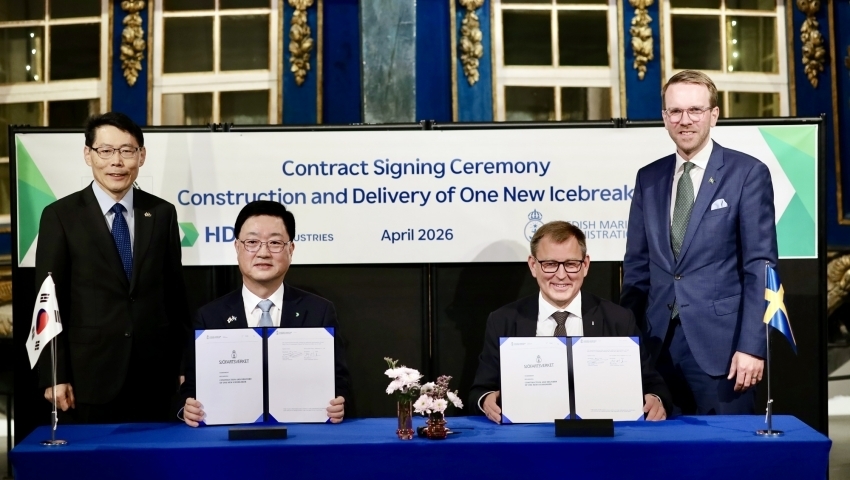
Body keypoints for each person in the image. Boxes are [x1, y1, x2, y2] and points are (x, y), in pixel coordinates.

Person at [620, 70, 778, 415]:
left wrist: (752, 346)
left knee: (726, 448)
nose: (685, 120)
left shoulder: (747, 173)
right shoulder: (649, 178)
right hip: (657, 349)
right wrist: (627, 345)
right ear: (665, 118)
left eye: (695, 110)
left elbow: (761, 268)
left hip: (725, 351)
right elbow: (636, 269)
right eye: (675, 111)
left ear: (714, 114)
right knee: (664, 448)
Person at [35, 111, 190, 423]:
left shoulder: (162, 213)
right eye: (105, 151)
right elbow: (48, 302)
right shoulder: (61, 216)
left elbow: (176, 296)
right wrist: (54, 373)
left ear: (141, 156)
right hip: (89, 378)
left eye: (127, 151)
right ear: (88, 155)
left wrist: (185, 365)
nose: (116, 162)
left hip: (155, 377)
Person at [469, 221, 671, 423]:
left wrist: (655, 399)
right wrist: (486, 400)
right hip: (528, 435)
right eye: (550, 264)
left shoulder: (618, 319)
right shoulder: (503, 321)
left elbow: (653, 385)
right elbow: (479, 391)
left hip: (599, 434)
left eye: (571, 264)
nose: (561, 275)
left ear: (585, 265)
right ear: (533, 265)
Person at [179, 200, 351, 426]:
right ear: (237, 247)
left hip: (302, 433)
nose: (263, 252)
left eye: (275, 243)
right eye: (252, 242)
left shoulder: (319, 311)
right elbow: (192, 386)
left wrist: (339, 402)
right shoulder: (209, 317)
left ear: (291, 249)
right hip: (230, 434)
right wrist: (187, 409)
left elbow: (339, 381)